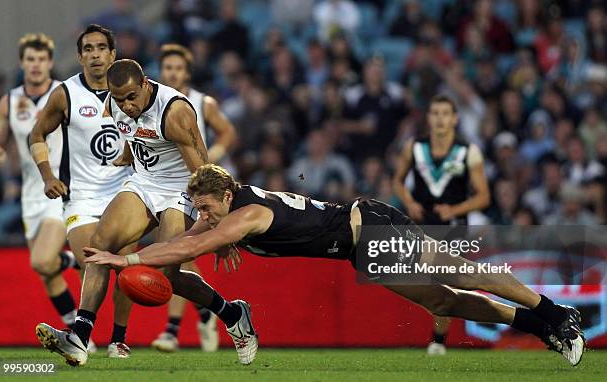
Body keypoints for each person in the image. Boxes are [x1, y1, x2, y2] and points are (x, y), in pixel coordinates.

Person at [86, 163, 585, 367]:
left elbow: (191, 249)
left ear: (223, 194)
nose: (203, 216)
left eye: (207, 206)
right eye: (199, 209)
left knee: (458, 272)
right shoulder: (229, 210)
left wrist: (123, 257)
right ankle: (542, 327)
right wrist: (121, 258)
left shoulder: (247, 213)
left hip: (365, 224)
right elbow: (180, 243)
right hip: (354, 247)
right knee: (442, 299)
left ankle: (554, 311)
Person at [35, 59, 257, 367]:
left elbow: (206, 175)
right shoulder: (114, 103)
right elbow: (134, 137)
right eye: (119, 98)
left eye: (131, 97)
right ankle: (79, 338)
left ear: (145, 84)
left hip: (184, 188)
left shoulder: (175, 113)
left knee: (166, 274)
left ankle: (233, 313)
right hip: (144, 182)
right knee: (97, 248)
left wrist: (220, 230)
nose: (125, 105)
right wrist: (126, 158)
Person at [29, 24, 135, 359]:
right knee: (94, 261)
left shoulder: (133, 89)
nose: (95, 54)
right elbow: (36, 135)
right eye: (88, 49)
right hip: (82, 197)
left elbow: (150, 131)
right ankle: (80, 337)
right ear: (80, 56)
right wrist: (47, 176)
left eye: (101, 48)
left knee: (127, 272)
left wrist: (133, 153)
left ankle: (118, 339)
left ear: (113, 54)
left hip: (126, 194)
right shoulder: (65, 93)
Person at [0, 33, 83, 346]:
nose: (35, 65)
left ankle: (77, 261)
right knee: (47, 273)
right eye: (30, 59)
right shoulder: (11, 100)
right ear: (22, 63)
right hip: (29, 196)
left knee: (43, 260)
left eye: (41, 59)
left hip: (59, 189)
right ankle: (78, 333)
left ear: (50, 63)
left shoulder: (63, 95)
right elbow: (0, 137)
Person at [152, 43, 237, 353]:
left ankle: (172, 331)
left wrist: (212, 156)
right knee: (179, 254)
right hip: (160, 185)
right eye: (167, 68)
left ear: (187, 72)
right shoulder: (154, 103)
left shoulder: (202, 103)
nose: (172, 72)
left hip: (194, 186)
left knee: (176, 253)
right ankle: (206, 312)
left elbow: (228, 131)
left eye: (177, 67)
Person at [393, 95, 490, 355]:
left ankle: (437, 340)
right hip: (421, 223)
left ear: (455, 119)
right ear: (428, 118)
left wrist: (454, 209)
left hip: (455, 226)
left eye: (445, 113)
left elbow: (483, 196)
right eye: (435, 113)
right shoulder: (414, 147)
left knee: (444, 283)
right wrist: (409, 202)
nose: (439, 118)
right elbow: (398, 181)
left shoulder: (468, 152)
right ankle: (436, 338)